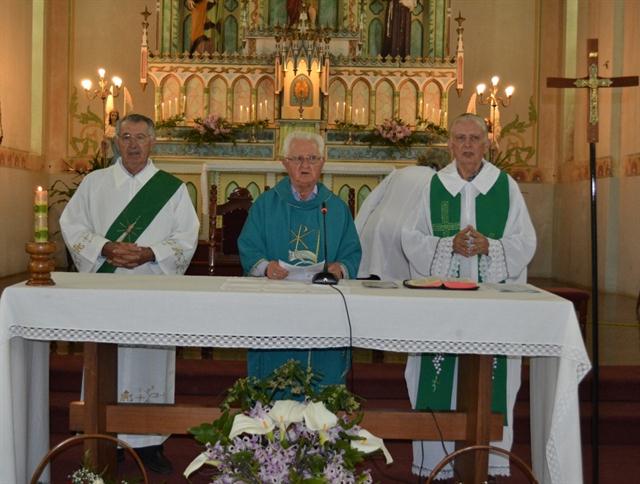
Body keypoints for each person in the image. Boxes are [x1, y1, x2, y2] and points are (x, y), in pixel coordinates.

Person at [356, 113, 536, 479]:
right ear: (450, 145)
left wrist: (491, 246)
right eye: (460, 138)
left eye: (474, 138)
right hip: (444, 302)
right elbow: (411, 238)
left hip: (490, 304)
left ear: (486, 144)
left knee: (492, 378)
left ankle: (488, 459)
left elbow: (525, 242)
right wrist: (446, 245)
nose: (468, 145)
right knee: (437, 375)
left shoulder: (505, 186)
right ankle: (434, 461)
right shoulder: (435, 186)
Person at [60, 113, 200, 475]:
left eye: (141, 137)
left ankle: (150, 442)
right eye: (126, 136)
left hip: (152, 288)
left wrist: (150, 253)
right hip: (105, 289)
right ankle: (104, 436)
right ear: (116, 142)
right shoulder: (95, 183)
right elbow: (72, 224)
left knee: (149, 363)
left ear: (153, 142)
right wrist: (105, 249)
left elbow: (186, 236)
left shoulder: (172, 189)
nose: (134, 144)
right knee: (108, 361)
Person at [238, 131, 361, 386]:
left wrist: (341, 268)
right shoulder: (266, 204)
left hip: (325, 304)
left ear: (323, 163)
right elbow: (249, 246)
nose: (305, 166)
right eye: (297, 159)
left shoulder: (335, 207)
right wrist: (265, 267)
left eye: (312, 158)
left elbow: (352, 252)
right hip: (275, 300)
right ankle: (270, 415)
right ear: (284, 163)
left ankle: (323, 419)